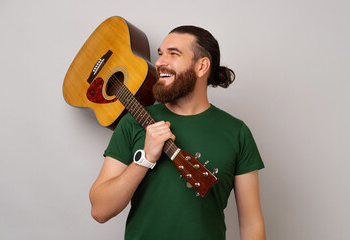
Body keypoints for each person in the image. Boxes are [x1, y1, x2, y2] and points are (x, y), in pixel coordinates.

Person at [89, 25, 266, 240]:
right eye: (160, 54)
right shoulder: (133, 122)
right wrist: (144, 159)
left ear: (202, 66)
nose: (160, 62)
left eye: (174, 54)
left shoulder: (237, 132)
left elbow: (251, 224)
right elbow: (100, 210)